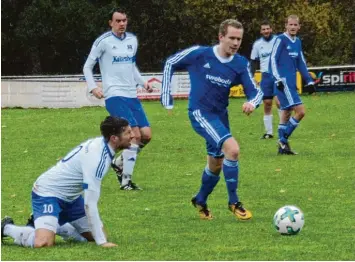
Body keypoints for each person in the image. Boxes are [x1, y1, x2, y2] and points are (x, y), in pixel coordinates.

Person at [160, 19, 263, 220]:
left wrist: (252, 103)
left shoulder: (240, 64)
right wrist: (166, 96)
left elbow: (255, 92)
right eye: (232, 38)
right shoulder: (200, 54)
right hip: (200, 113)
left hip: (220, 116)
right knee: (232, 150)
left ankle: (200, 199)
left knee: (216, 164)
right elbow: (171, 62)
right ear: (221, 37)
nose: (235, 43)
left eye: (239, 39)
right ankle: (234, 202)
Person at [1, 116, 134, 248]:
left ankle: (57, 225)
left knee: (100, 234)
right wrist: (102, 243)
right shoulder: (97, 159)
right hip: (48, 192)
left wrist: (100, 238)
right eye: (128, 132)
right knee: (43, 243)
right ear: (114, 138)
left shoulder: (102, 145)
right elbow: (90, 203)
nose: (133, 135)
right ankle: (6, 228)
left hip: (72, 198)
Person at [83, 8, 153, 190]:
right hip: (114, 94)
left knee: (146, 135)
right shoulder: (103, 42)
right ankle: (126, 182)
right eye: (118, 21)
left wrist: (143, 82)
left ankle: (119, 162)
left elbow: (131, 66)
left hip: (131, 94)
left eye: (124, 20)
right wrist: (93, 87)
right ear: (111, 23)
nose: (122, 24)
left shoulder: (132, 40)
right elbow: (87, 67)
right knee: (134, 136)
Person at [269, 15, 315, 155]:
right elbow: (272, 60)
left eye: (296, 25)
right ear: (286, 26)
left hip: (291, 82)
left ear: (299, 26)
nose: (293, 27)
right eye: (291, 24)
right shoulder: (280, 39)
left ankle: (283, 149)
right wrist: (277, 79)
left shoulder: (298, 42)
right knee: (300, 111)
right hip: (283, 82)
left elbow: (300, 62)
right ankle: (282, 140)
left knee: (286, 113)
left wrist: (309, 80)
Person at [250, 21, 280, 139]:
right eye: (263, 29)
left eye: (268, 29)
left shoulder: (278, 41)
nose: (266, 31)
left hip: (277, 75)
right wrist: (252, 76)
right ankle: (269, 132)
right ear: (261, 31)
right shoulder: (257, 44)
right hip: (266, 76)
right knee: (267, 103)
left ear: (271, 29)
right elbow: (253, 61)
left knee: (279, 102)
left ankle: (283, 129)